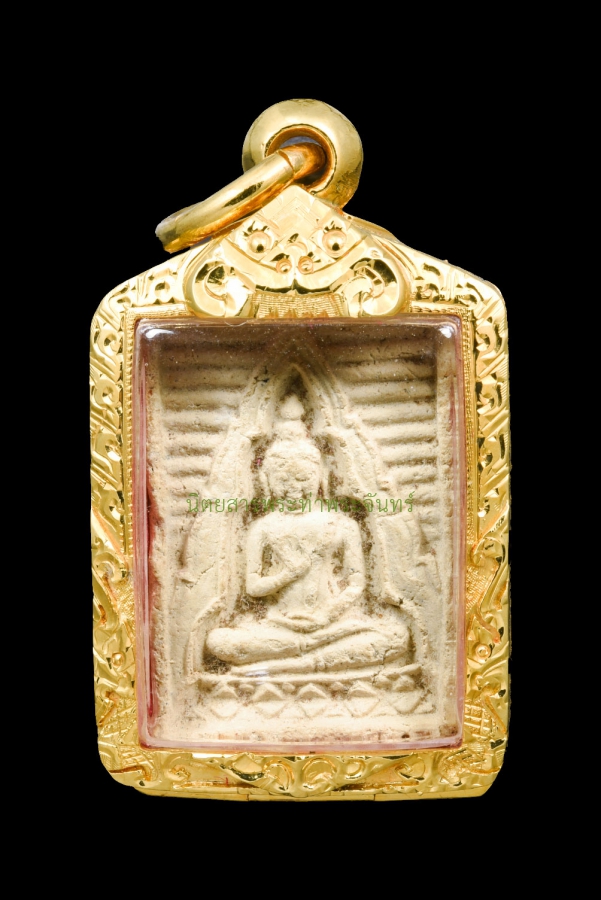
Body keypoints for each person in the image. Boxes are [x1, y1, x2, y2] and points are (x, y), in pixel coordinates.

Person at [205, 396, 411, 677]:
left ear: (321, 477)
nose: (294, 488)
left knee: (396, 637)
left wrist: (326, 615)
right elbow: (253, 587)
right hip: (279, 626)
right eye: (284, 480)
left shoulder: (342, 524)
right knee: (219, 641)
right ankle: (316, 660)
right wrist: (286, 575)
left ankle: (291, 665)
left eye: (303, 479)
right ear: (266, 481)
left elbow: (355, 583)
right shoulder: (263, 528)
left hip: (334, 626)